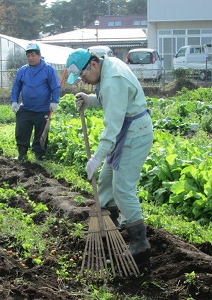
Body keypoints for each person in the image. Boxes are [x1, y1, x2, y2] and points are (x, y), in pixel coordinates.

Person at [66, 49, 154, 258]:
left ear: (94, 65)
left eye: (83, 75)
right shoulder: (107, 67)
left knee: (122, 188)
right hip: (127, 129)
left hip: (134, 134)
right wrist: (90, 99)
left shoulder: (112, 79)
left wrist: (97, 157)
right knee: (105, 182)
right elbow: (111, 98)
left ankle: (139, 242)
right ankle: (110, 224)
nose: (83, 80)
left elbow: (112, 126)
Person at [10, 42, 61, 161]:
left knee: (41, 134)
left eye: (33, 55)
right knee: (21, 131)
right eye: (28, 56)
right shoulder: (23, 70)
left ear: (39, 55)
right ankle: (22, 153)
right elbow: (16, 87)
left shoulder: (48, 69)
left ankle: (39, 156)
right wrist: (14, 101)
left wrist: (55, 101)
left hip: (42, 109)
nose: (30, 58)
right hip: (26, 108)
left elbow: (55, 87)